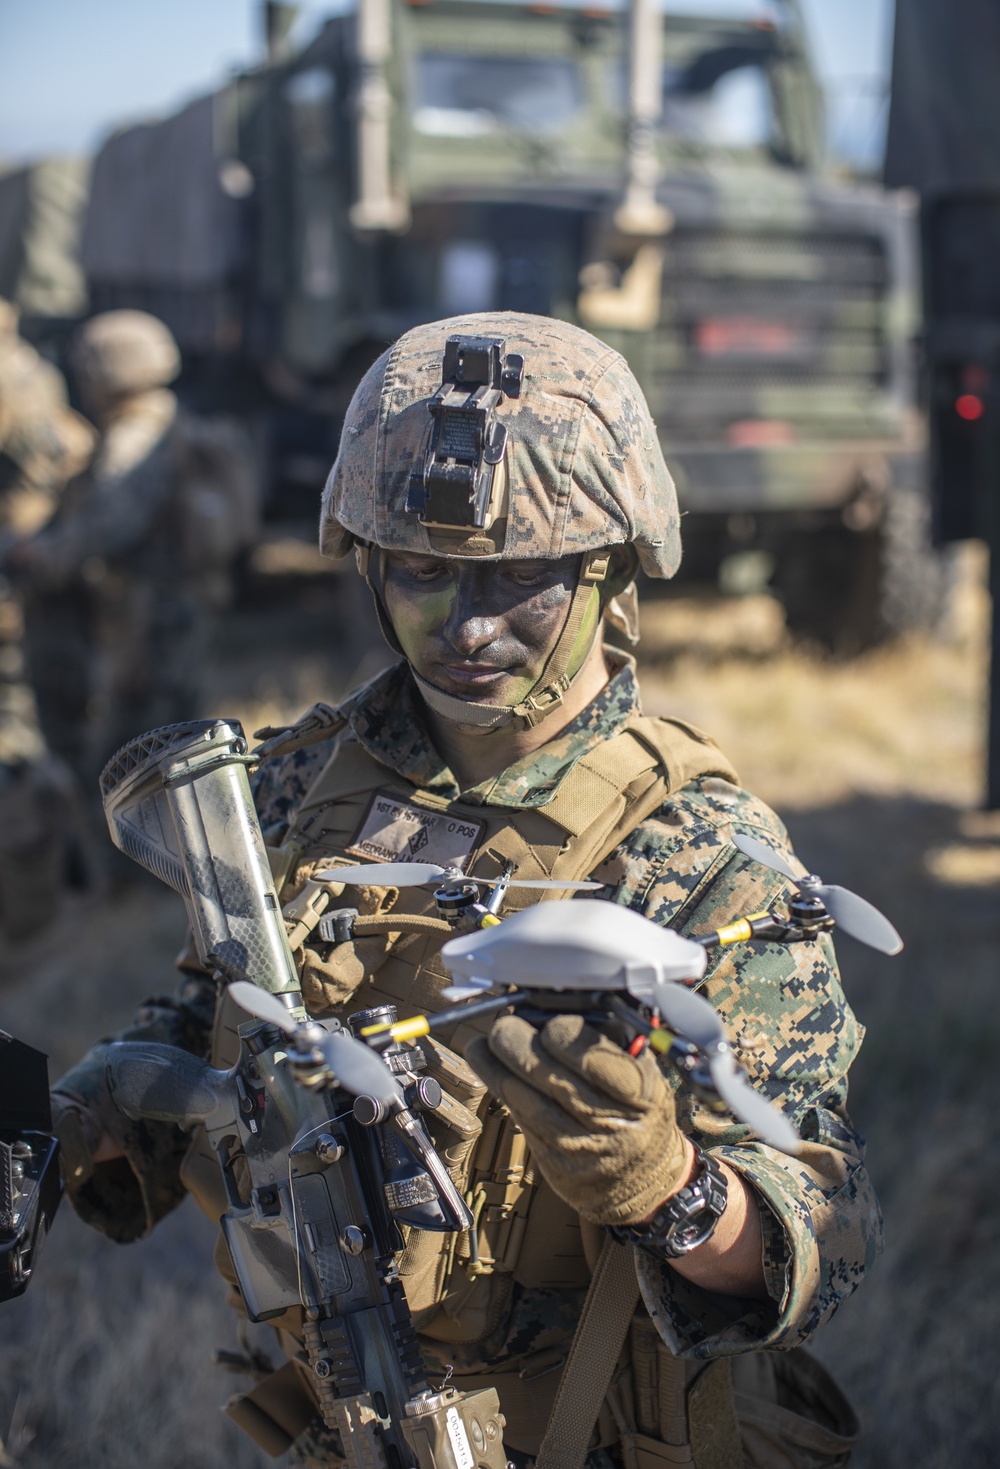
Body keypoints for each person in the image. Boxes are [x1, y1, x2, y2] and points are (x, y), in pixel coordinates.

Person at [50, 314, 879, 1466]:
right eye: (425, 572)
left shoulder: (697, 850)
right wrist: (79, 1116)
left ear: (612, 570)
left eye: (523, 577)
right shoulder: (306, 787)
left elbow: (825, 1237)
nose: (470, 626)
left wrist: (672, 1191)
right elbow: (220, 1013)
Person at [6, 309, 258, 793]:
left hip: (150, 611)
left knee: (135, 749)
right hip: (185, 601)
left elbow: (112, 523)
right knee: (173, 737)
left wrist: (44, 554)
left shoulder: (134, 437)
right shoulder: (175, 416)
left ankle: (135, 860)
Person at [0, 297, 95, 939]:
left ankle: (45, 903)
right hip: (32, 573)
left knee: (22, 743)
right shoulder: (27, 369)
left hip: (25, 576)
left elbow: (28, 502)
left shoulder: (15, 379)